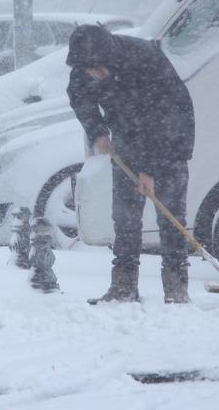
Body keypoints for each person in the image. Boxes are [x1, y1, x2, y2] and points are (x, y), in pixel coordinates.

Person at [65, 24, 195, 304]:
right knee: (125, 219)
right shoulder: (84, 65)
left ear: (109, 56)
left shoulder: (143, 59)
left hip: (170, 141)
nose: (95, 74)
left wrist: (149, 171)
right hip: (127, 143)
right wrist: (97, 131)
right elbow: (80, 98)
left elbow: (162, 116)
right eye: (90, 69)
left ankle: (176, 287)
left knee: (171, 218)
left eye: (99, 67)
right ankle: (123, 286)